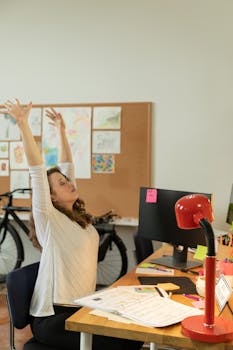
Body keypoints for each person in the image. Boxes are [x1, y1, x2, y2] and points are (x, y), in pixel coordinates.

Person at [0, 99, 143, 350]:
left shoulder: (78, 219)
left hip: (80, 308)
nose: (68, 182)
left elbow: (67, 166)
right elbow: (37, 171)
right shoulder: (49, 221)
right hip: (52, 319)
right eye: (61, 183)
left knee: (134, 332)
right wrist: (22, 124)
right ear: (50, 196)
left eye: (67, 180)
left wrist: (62, 132)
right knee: (128, 340)